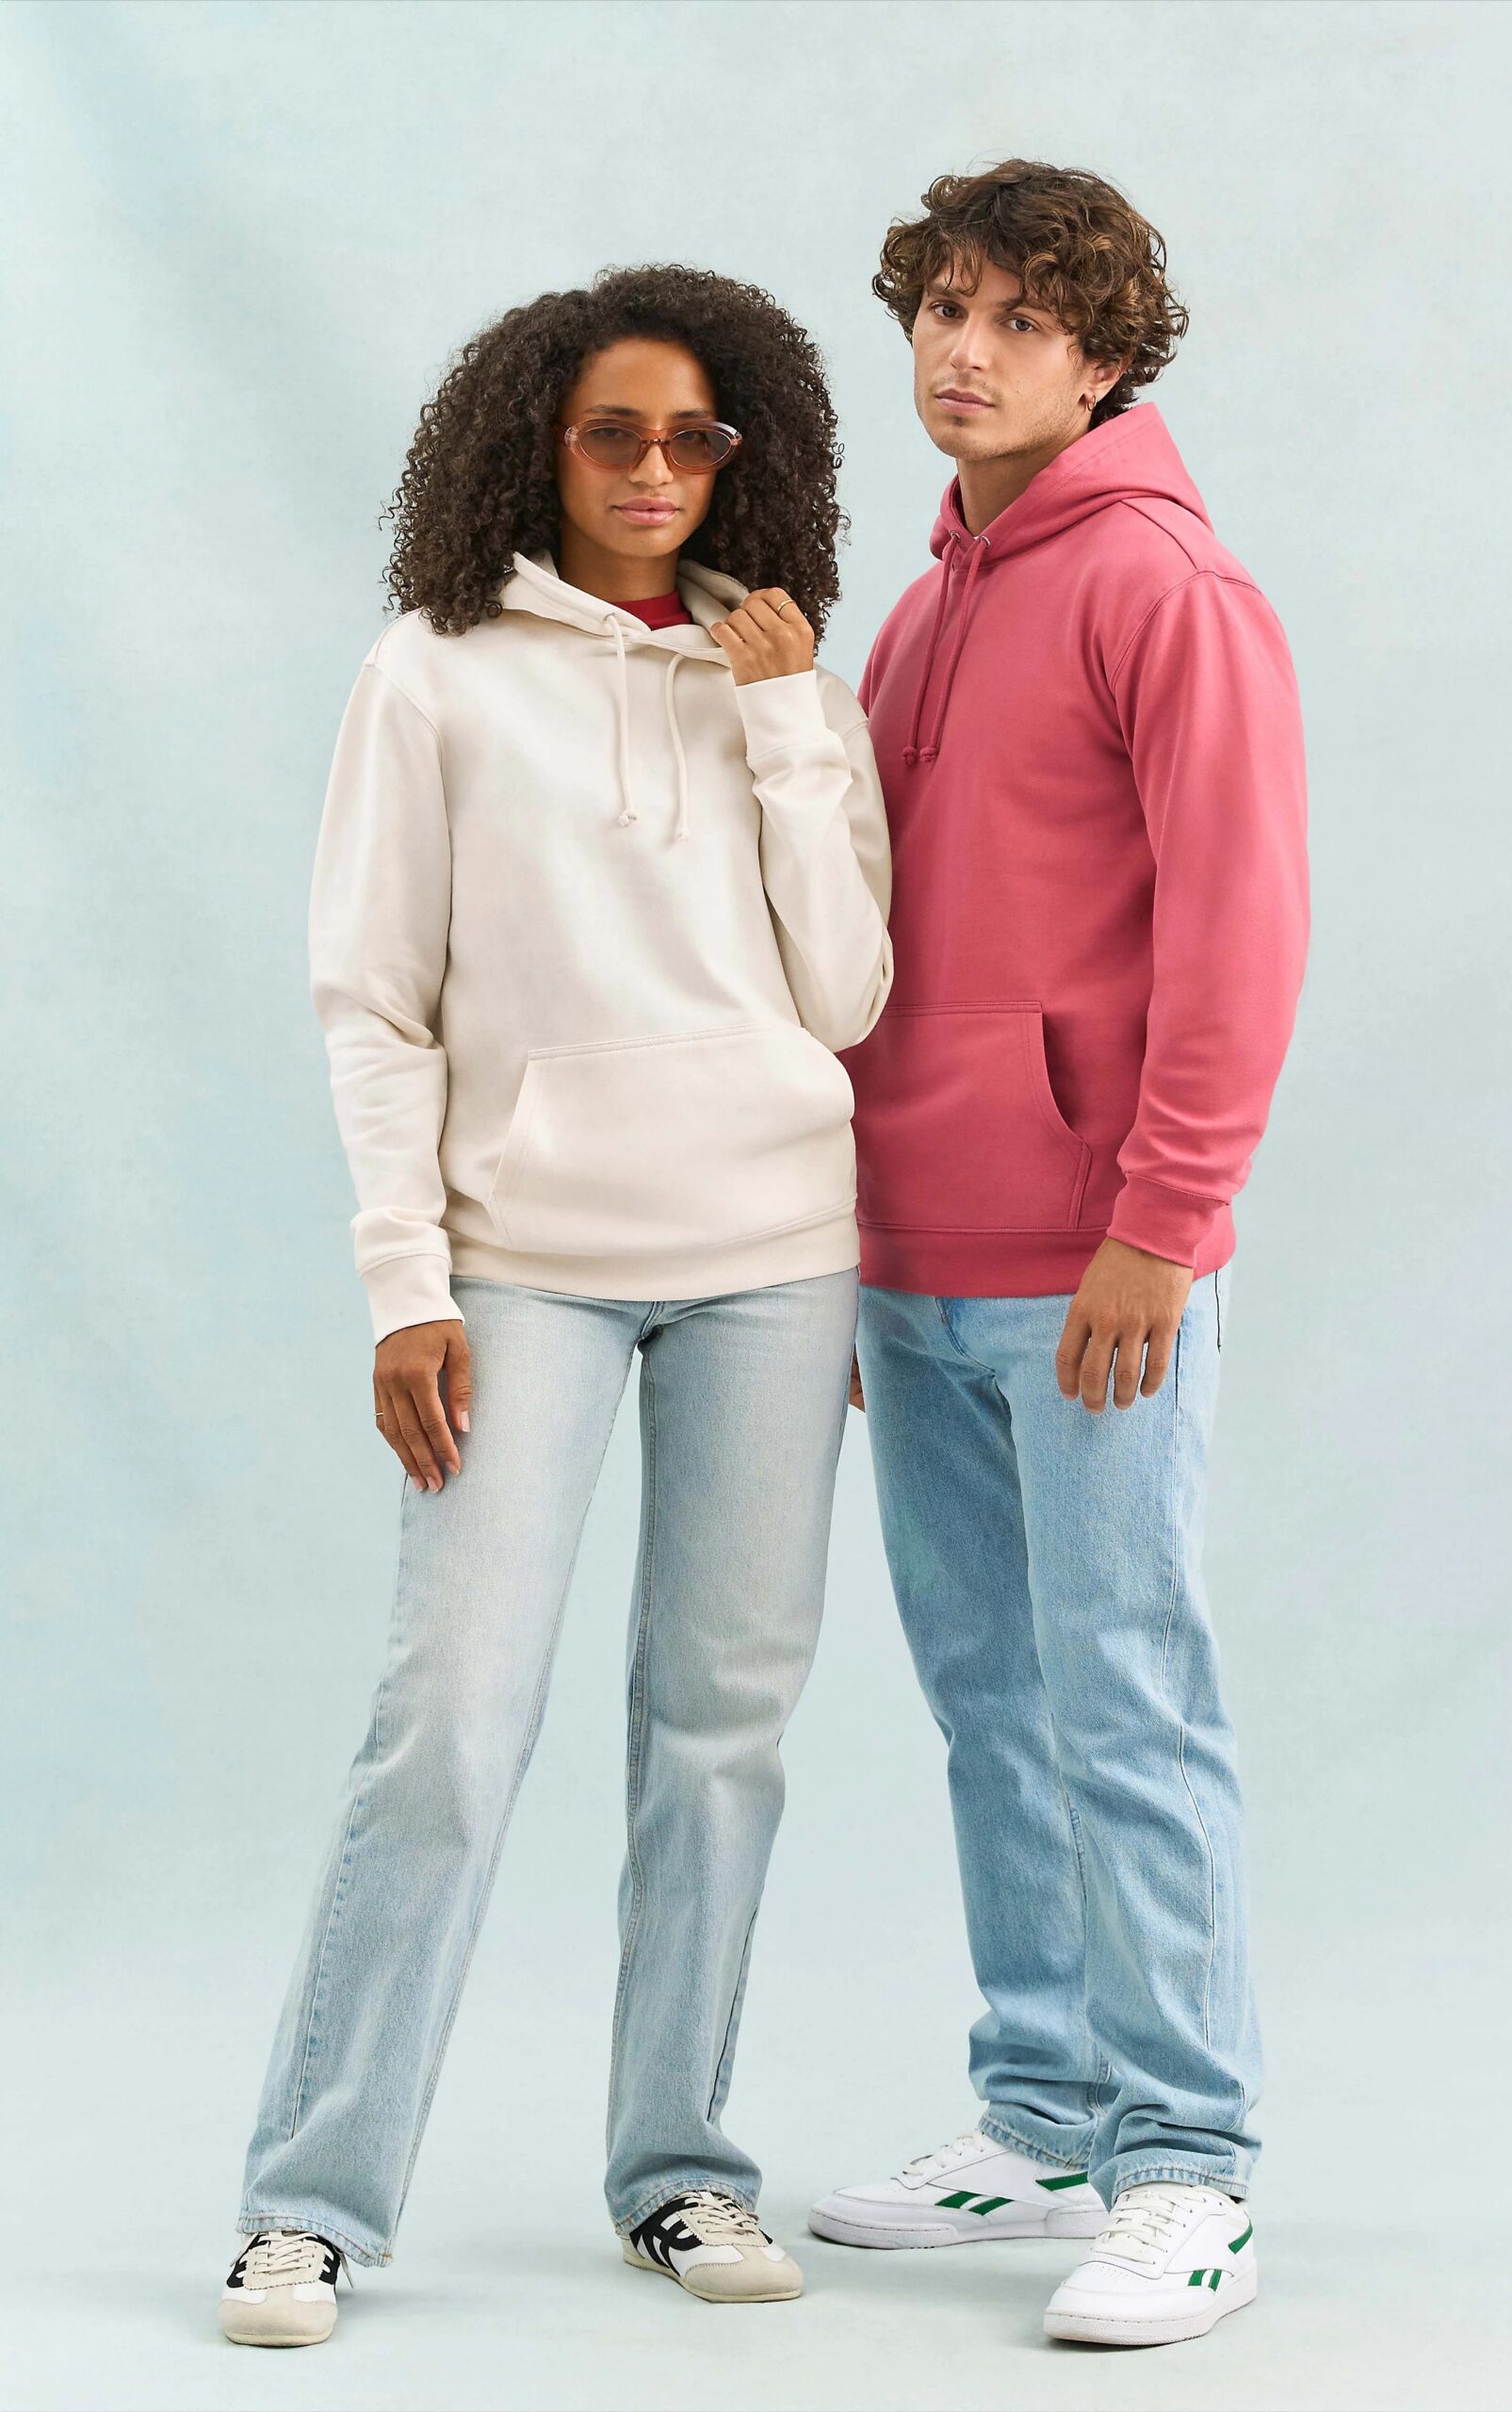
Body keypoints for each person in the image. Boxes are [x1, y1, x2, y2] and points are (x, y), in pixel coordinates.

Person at [219, 265, 892, 2347]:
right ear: (541, 442)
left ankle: (678, 2167)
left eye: (696, 436)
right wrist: (401, 1281)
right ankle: (309, 2202)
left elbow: (847, 993)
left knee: (721, 1735)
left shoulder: (786, 673)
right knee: (447, 1725)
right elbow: (373, 1001)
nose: (657, 470)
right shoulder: (431, 670)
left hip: (777, 1259)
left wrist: (781, 721)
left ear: (743, 452)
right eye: (616, 432)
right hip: (520, 1267)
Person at [809, 161, 1309, 2350]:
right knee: (987, 1702)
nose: (965, 348)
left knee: (1122, 1694)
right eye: (942, 305)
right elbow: (861, 950)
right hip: (908, 1257)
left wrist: (1159, 1224)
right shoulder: (920, 611)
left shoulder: (1162, 587)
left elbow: (1237, 928)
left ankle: (1186, 2162)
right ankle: (1041, 2106)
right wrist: (853, 1236)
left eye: (1020, 317)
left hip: (1096, 1262)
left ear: (1102, 357)